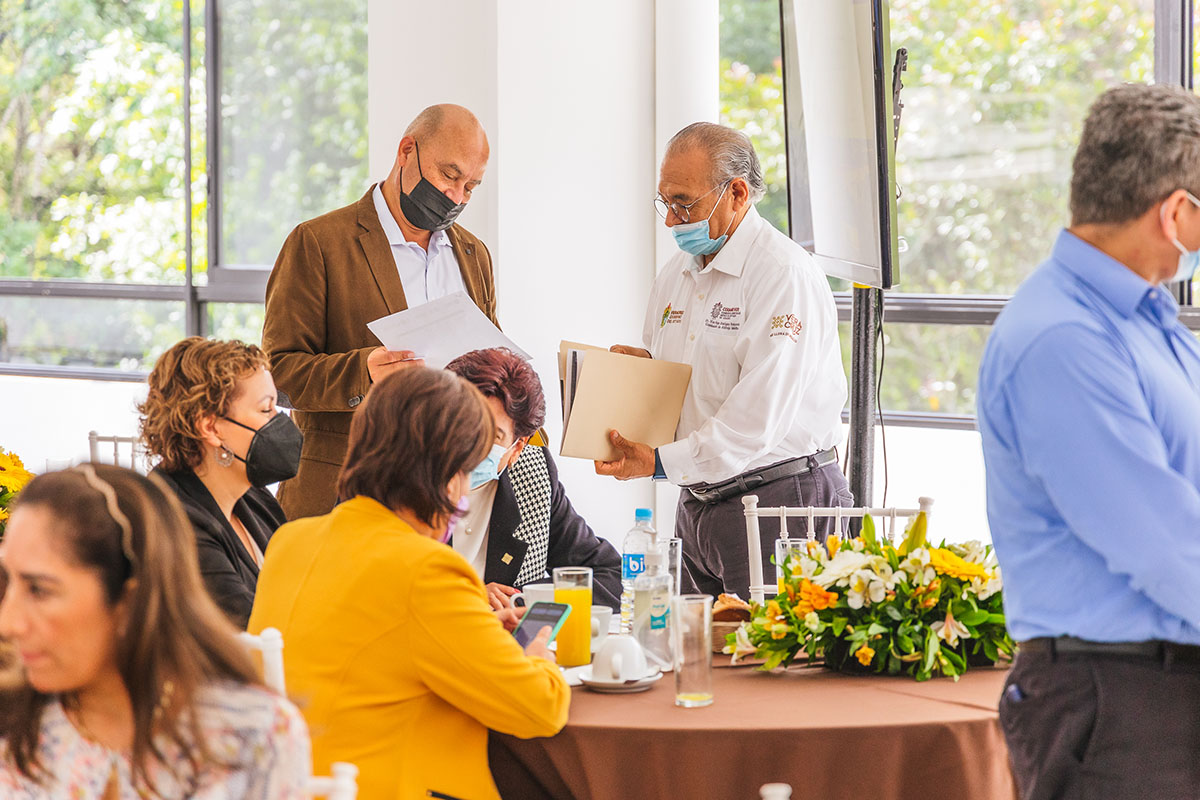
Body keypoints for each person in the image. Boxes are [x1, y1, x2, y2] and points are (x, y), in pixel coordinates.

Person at [977, 83, 1200, 800]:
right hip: (1116, 705)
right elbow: (1165, 546)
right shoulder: (1062, 340)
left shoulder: (1147, 316)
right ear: (1174, 212)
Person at [248, 367, 569, 800]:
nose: (465, 495)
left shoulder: (290, 541)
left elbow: (378, 649)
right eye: (466, 470)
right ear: (443, 470)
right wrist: (538, 650)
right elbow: (540, 709)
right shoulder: (426, 569)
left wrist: (478, 628)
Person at [598, 121, 851, 601]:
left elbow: (753, 423)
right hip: (697, 502)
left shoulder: (783, 275)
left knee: (774, 667)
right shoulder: (676, 275)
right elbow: (678, 383)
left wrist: (655, 463)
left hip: (780, 501)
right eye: (665, 202)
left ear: (737, 193)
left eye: (683, 203)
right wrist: (638, 377)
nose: (671, 220)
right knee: (695, 657)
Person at [0, 465, 310, 798]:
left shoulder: (250, 737)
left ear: (130, 601)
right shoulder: (17, 729)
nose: (8, 623)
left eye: (39, 590)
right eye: (7, 584)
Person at [263, 103, 496, 520]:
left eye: (471, 187)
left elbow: (493, 360)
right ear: (407, 151)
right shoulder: (319, 243)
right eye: (449, 175)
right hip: (342, 499)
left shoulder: (473, 254)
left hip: (447, 504)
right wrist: (364, 372)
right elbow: (277, 373)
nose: (457, 197)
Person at [138, 337, 302, 628]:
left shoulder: (254, 498)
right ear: (211, 427)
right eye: (266, 410)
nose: (279, 421)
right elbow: (253, 631)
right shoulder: (175, 526)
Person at [445, 348, 623, 611]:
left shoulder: (532, 477)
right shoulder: (395, 474)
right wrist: (465, 598)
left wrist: (527, 601)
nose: (470, 443)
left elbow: (611, 576)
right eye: (463, 423)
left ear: (517, 447)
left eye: (492, 436)